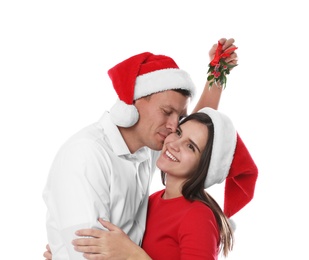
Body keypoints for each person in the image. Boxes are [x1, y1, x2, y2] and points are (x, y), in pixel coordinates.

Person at [43, 38, 238, 259]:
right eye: (166, 111)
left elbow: (203, 137)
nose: (174, 128)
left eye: (180, 118)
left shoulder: (147, 148)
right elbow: (82, 253)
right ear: (135, 102)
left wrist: (217, 74)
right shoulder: (87, 157)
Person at [68, 107, 258, 259]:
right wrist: (71, 253)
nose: (174, 144)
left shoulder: (198, 216)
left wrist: (133, 255)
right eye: (178, 133)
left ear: (205, 166)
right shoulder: (151, 201)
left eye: (190, 146)